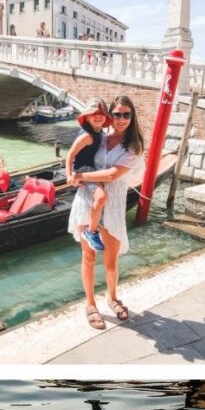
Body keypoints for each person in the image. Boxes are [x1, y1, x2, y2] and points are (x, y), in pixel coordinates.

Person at [67, 94, 145, 330]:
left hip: (112, 205)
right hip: (87, 200)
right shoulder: (99, 136)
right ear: (112, 115)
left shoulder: (133, 146)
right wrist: (72, 171)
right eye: (118, 114)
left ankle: (112, 297)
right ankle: (90, 304)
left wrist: (78, 176)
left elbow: (112, 175)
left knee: (111, 261)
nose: (121, 119)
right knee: (88, 257)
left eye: (126, 114)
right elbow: (78, 154)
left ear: (132, 118)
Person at [66, 99, 111, 252]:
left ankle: (97, 220)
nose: (98, 117)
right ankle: (91, 232)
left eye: (101, 114)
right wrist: (70, 174)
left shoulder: (99, 132)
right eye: (94, 114)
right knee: (101, 197)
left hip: (92, 168)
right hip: (84, 170)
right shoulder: (87, 136)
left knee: (104, 194)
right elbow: (70, 154)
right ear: (87, 117)